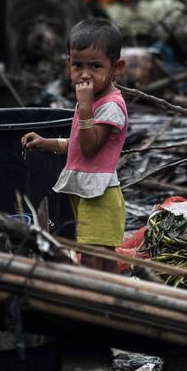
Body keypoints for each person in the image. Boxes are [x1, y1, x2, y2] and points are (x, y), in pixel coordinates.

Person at [22, 18, 128, 271]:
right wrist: (47, 143)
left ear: (116, 67)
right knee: (96, 252)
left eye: (95, 66)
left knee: (95, 256)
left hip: (100, 193)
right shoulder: (91, 103)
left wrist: (87, 107)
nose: (84, 74)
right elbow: (80, 144)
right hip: (85, 190)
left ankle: (101, 298)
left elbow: (90, 146)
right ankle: (104, 299)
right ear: (67, 63)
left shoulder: (110, 106)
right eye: (77, 65)